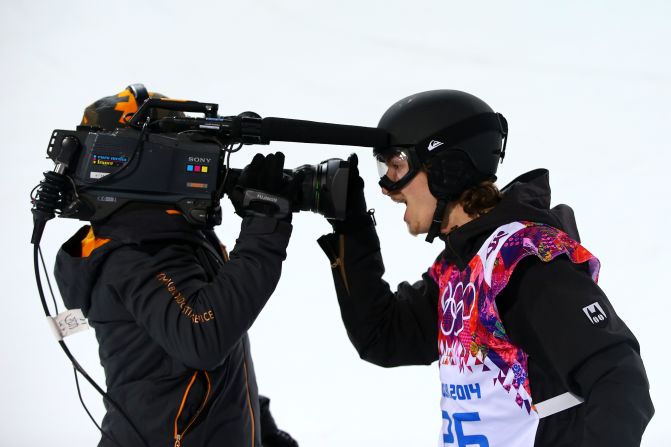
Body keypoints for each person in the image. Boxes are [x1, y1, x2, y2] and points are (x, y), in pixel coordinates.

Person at [317, 90, 654, 446]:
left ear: (446, 168)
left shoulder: (523, 261)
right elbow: (384, 337)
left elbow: (620, 381)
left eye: (397, 165)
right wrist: (351, 228)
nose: (386, 186)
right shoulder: (462, 267)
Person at [54, 85, 299, 447]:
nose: (195, 165)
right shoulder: (135, 255)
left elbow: (218, 350)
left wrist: (259, 429)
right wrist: (264, 232)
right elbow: (203, 338)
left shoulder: (171, 240)